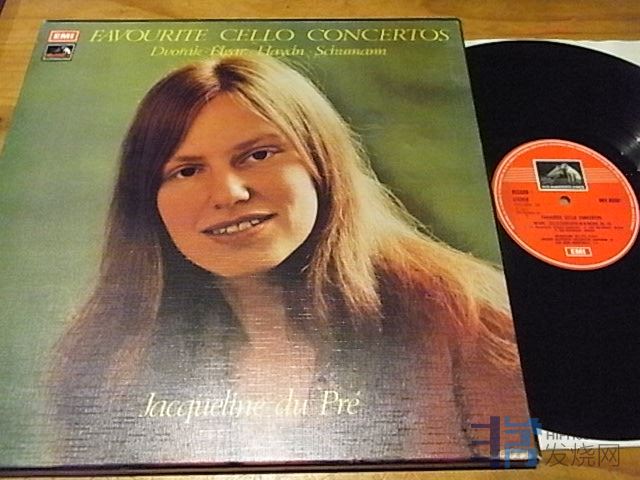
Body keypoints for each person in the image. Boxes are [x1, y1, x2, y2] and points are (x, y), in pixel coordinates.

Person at [50, 54, 528, 463]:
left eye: (258, 155)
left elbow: (519, 465)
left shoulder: (470, 319)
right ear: (146, 201)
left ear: (322, 164)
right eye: (187, 170)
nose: (229, 193)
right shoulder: (108, 358)